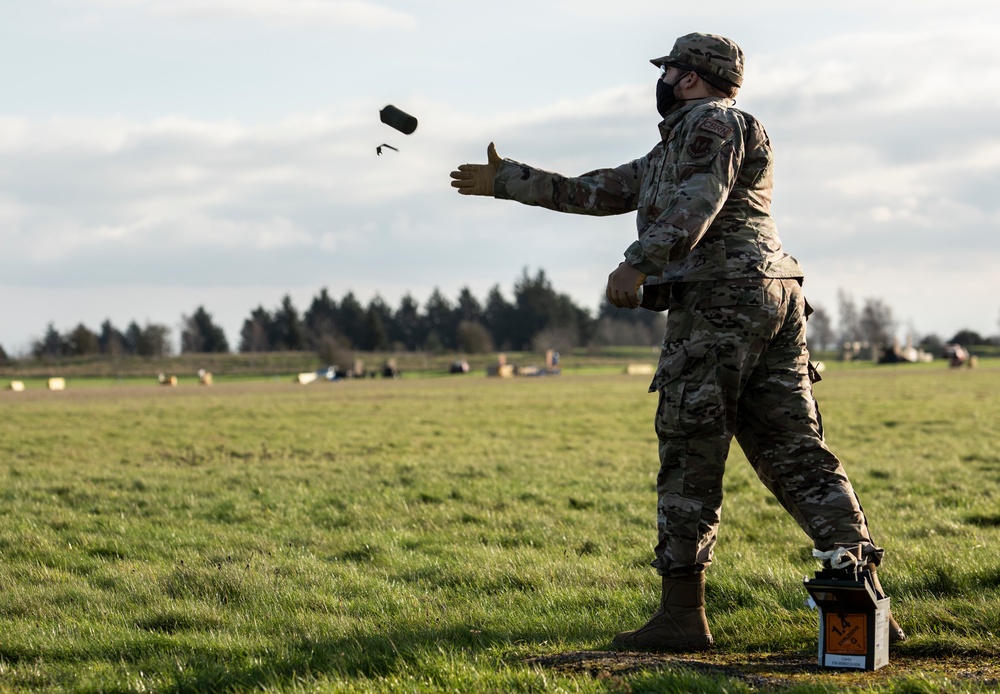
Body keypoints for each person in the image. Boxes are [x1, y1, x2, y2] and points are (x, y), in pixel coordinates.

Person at [449, 32, 905, 652]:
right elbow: (603, 189)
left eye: (667, 72)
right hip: (772, 293)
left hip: (719, 300)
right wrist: (508, 180)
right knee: (796, 449)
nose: (661, 82)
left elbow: (701, 198)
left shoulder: (711, 125)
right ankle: (866, 601)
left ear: (688, 78)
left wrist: (639, 260)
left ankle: (682, 615)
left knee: (690, 449)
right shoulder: (681, 143)